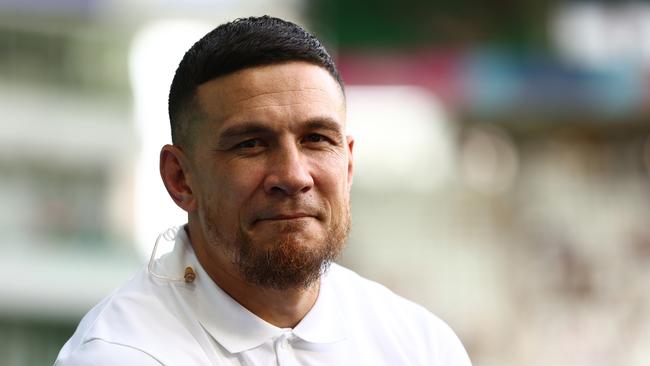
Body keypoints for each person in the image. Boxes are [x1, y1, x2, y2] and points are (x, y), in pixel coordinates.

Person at [55, 16, 472, 365]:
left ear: (347, 164)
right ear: (181, 179)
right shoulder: (123, 354)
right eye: (250, 144)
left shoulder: (419, 346)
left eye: (316, 139)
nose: (293, 176)